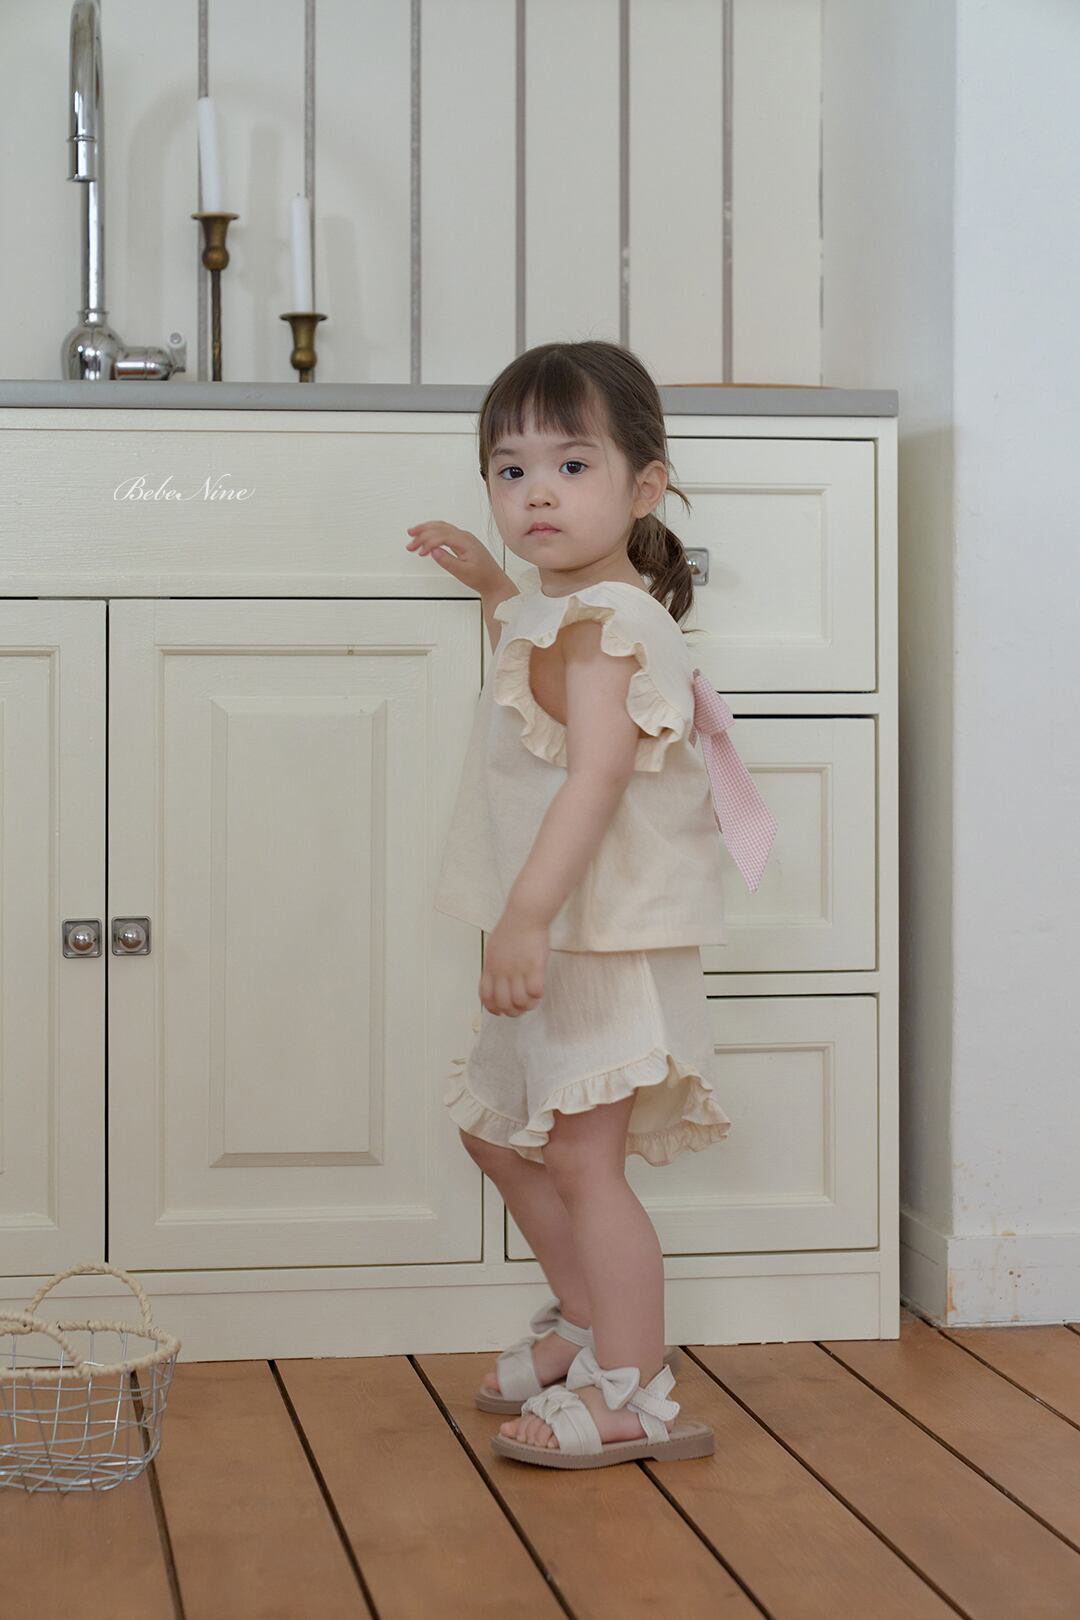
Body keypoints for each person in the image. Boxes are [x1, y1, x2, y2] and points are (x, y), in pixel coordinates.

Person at [404, 340, 776, 1470]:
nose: (537, 493)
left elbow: (597, 772)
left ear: (644, 487)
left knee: (580, 1162)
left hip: (599, 937)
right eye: (510, 470)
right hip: (558, 931)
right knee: (494, 1134)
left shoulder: (613, 623)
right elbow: (537, 675)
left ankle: (634, 1387)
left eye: (571, 466)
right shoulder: (563, 608)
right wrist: (490, 585)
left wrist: (523, 918)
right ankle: (583, 1321)